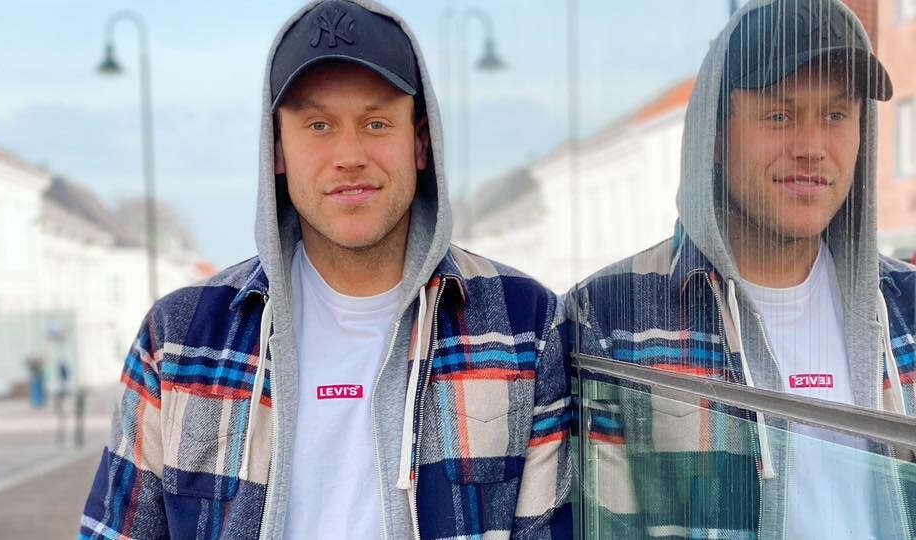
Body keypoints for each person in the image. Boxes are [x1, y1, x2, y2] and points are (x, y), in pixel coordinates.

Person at [80, 1, 572, 538]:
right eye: (318, 125)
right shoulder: (179, 338)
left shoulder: (524, 324)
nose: (350, 155)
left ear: (420, 143)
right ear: (277, 150)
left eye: (376, 122)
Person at [567, 0, 915, 538]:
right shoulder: (612, 315)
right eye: (779, 115)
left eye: (836, 115)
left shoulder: (907, 304)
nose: (812, 148)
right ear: (714, 138)